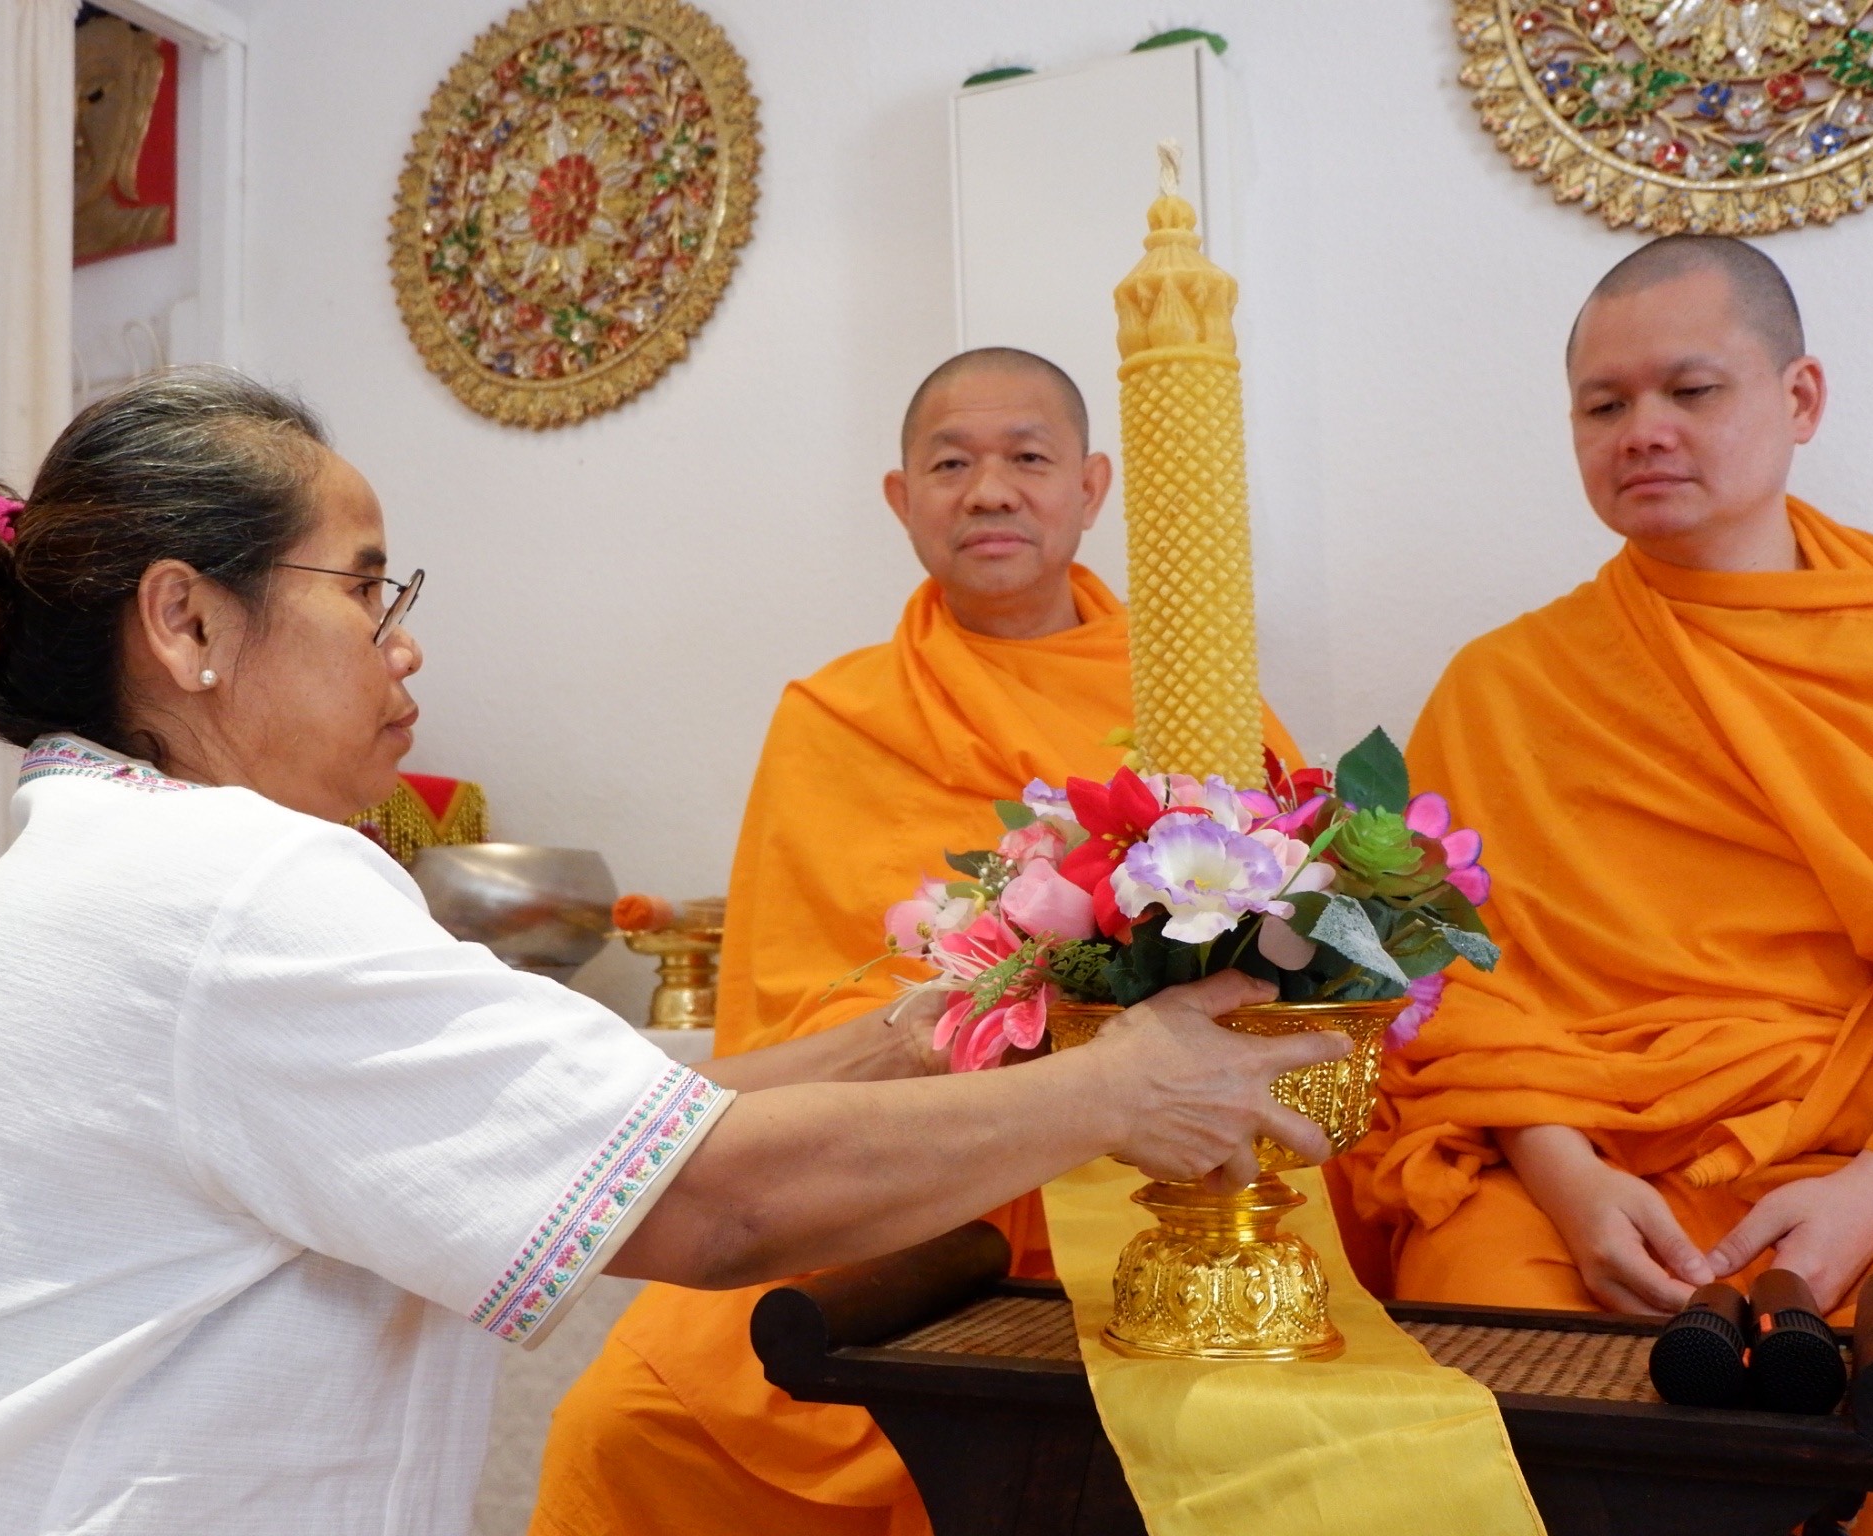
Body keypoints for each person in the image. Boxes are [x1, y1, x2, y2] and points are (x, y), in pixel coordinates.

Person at [0, 368, 1345, 1536]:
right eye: (364, 587)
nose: (407, 649)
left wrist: (934, 1032)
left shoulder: (153, 860)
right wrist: (1121, 1088)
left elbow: (629, 1121)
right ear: (188, 624)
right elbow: (711, 1204)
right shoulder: (228, 889)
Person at [1349, 237, 1873, 1533]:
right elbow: (1436, 984)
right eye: (1602, 406)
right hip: (1584, 1187)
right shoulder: (1500, 689)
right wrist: (1565, 1178)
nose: (1642, 432)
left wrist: (1870, 1195)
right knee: (1478, 1394)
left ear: (1799, 398)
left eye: (1689, 389)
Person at [532, 349, 1307, 1536]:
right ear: (902, 499)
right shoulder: (835, 718)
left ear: (1093, 487)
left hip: (1153, 1173)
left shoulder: (1197, 696)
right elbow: (788, 1018)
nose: (989, 490)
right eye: (951, 463)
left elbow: (1290, 947)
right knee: (632, 1418)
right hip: (899, 1184)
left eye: (1028, 459)